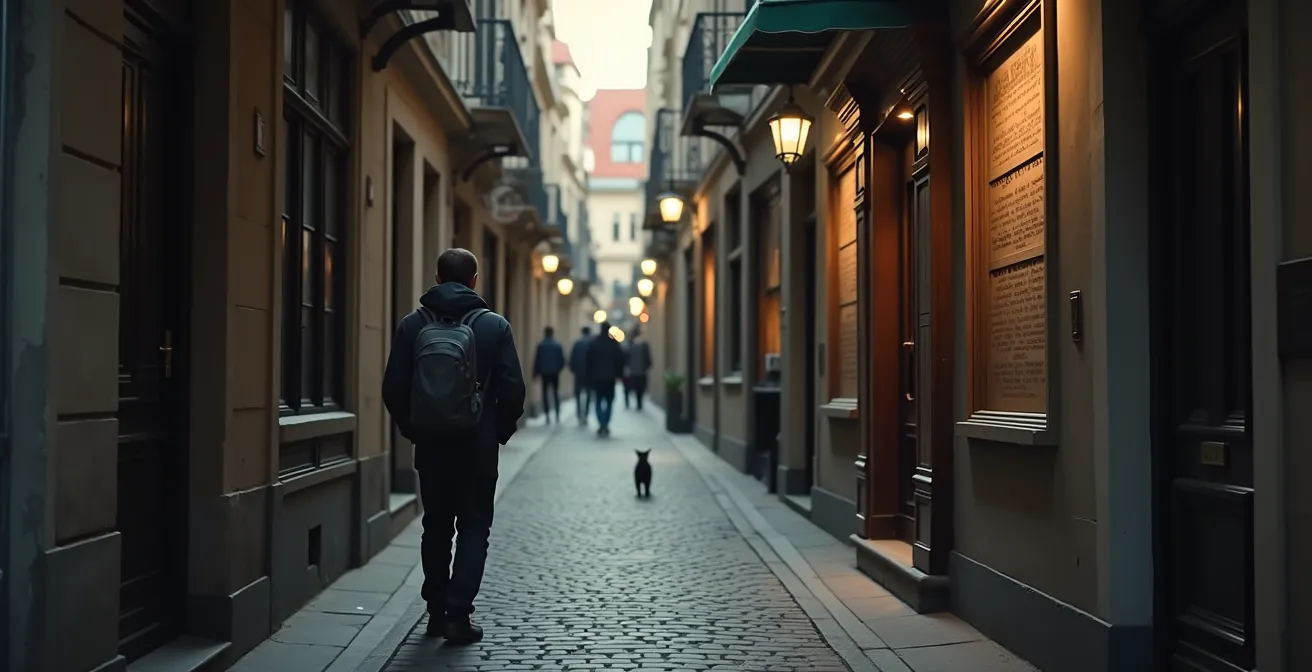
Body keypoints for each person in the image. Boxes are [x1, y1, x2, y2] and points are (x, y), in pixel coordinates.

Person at [381, 248, 525, 644]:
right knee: (475, 526)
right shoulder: (495, 327)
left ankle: (435, 612)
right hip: (477, 446)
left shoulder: (412, 325)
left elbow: (392, 388)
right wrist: (497, 431)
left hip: (432, 445)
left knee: (436, 526)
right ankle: (459, 617)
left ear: (437, 276)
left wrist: (416, 429)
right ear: (474, 280)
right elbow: (514, 390)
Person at [583, 321, 626, 436]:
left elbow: (588, 361)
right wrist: (619, 375)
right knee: (609, 401)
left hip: (596, 378)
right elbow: (621, 360)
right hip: (610, 378)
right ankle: (605, 423)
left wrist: (588, 377)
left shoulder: (593, 343)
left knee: (597, 401)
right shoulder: (614, 344)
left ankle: (601, 423)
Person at [532, 326, 564, 423]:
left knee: (545, 394)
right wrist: (558, 369)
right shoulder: (557, 345)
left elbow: (537, 360)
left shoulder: (541, 345)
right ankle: (557, 414)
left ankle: (547, 416)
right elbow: (561, 360)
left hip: (544, 373)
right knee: (555, 393)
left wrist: (535, 373)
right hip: (555, 373)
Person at [568, 326, 593, 425]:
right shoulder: (591, 343)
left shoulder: (577, 343)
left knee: (578, 394)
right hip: (589, 373)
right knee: (588, 394)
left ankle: (579, 413)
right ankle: (585, 414)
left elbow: (572, 357)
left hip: (578, 372)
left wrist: (572, 368)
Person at [626, 329, 653, 410]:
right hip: (641, 371)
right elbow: (648, 358)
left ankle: (637, 403)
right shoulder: (644, 345)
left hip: (634, 371)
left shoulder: (630, 345)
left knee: (636, 388)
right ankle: (639, 403)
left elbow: (627, 358)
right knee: (640, 388)